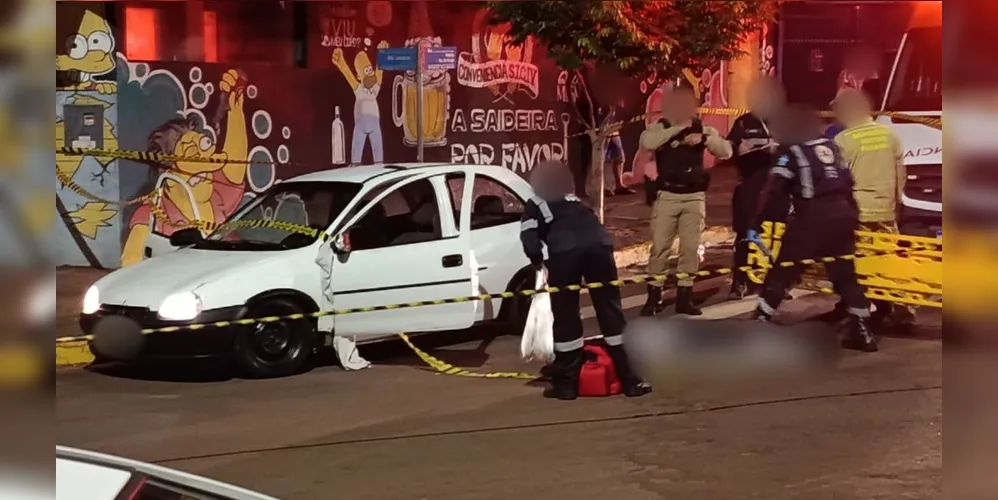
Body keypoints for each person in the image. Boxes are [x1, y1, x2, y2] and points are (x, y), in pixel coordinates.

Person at [749, 104, 878, 352]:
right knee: (845, 273)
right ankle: (863, 331)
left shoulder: (791, 151)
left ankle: (760, 322)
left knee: (784, 268)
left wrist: (758, 221)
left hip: (813, 217)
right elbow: (848, 180)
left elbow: (774, 189)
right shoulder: (829, 145)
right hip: (844, 214)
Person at [520, 160, 652, 400]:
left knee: (566, 316)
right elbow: (593, 226)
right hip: (601, 250)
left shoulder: (534, 204)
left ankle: (567, 386)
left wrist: (538, 263)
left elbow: (529, 239)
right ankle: (632, 381)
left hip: (565, 253)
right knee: (611, 312)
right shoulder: (576, 201)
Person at [639, 85, 733, 316]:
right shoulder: (661, 127)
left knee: (690, 250)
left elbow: (726, 151)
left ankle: (685, 297)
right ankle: (654, 297)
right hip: (667, 196)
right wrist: (679, 129)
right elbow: (648, 142)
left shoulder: (702, 128)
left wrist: (704, 138)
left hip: (693, 197)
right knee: (660, 248)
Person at [832, 88, 916, 327]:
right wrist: (896, 202)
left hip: (858, 210)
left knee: (859, 261)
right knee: (891, 259)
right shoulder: (889, 135)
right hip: (885, 208)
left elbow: (837, 179)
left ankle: (859, 307)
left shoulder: (843, 140)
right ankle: (903, 308)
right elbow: (901, 173)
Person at [724, 77, 787, 299]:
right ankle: (739, 282)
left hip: (778, 188)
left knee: (775, 235)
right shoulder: (743, 122)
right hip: (750, 186)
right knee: (745, 234)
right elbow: (729, 150)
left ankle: (773, 282)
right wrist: (743, 148)